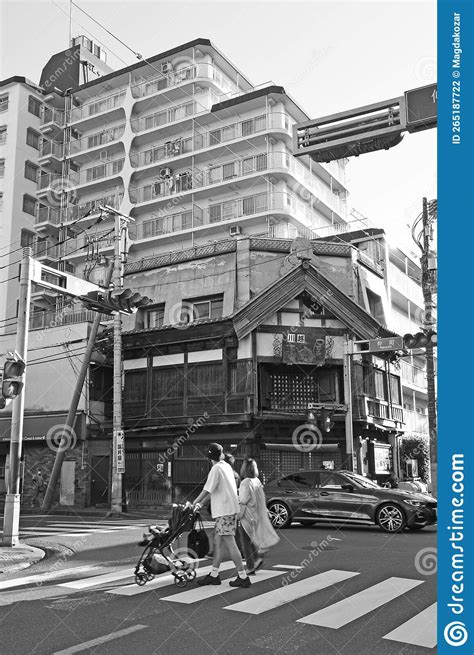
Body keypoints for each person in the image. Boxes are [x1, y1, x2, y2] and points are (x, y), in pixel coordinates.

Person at [193, 442, 251, 588]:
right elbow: (213, 490)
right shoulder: (226, 466)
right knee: (217, 543)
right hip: (229, 510)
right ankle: (214, 574)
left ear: (209, 458)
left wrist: (195, 502)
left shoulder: (216, 468)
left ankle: (243, 576)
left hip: (224, 512)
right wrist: (200, 503)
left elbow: (207, 490)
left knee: (230, 543)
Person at [238, 458, 279, 573]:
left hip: (247, 515)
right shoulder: (257, 481)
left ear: (244, 468)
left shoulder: (245, 482)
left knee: (245, 542)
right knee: (252, 539)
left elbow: (243, 500)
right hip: (257, 515)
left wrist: (238, 515)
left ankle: (250, 566)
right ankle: (256, 560)